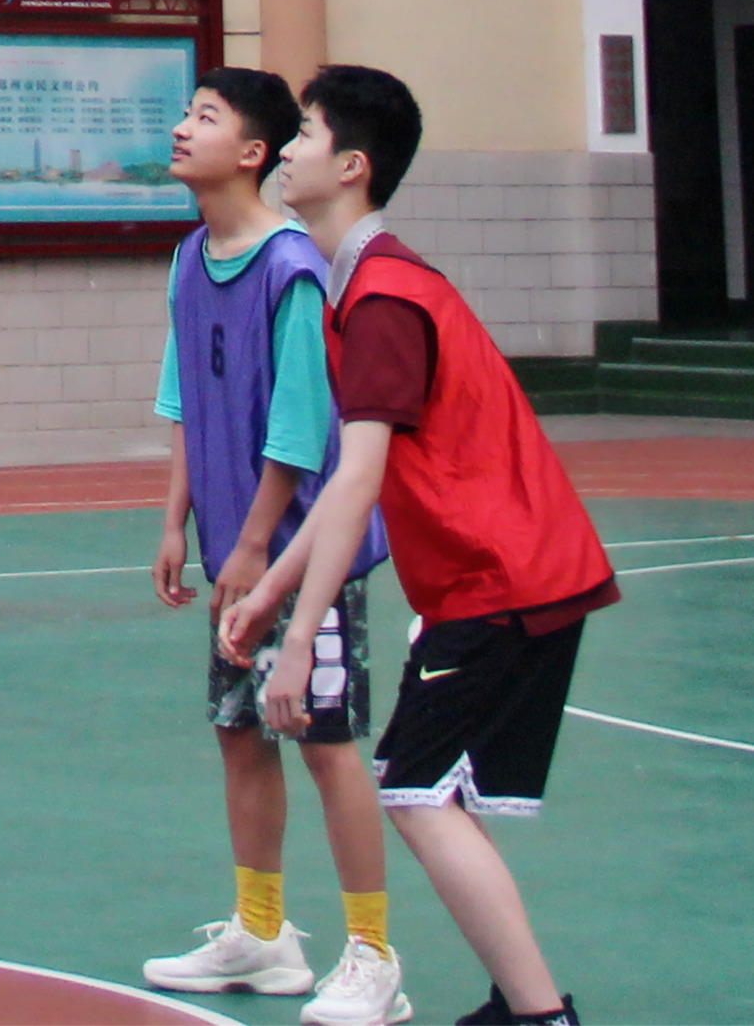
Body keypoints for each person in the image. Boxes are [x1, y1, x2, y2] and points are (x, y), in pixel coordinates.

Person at [225, 68, 618, 1026]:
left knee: (413, 789)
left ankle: (538, 1015)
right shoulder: (365, 288)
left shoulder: (386, 299)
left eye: (306, 132)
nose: (288, 149)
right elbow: (348, 479)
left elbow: (357, 479)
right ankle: (523, 1006)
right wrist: (273, 592)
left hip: (504, 577)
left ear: (352, 166)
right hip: (509, 577)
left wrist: (301, 635)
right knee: (430, 791)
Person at [141, 70, 400, 1023]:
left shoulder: (291, 266)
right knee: (238, 730)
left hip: (300, 552)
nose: (182, 127)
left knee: (325, 741)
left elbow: (297, 430)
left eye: (204, 117)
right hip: (232, 551)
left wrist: (252, 547)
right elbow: (182, 399)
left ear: (252, 152)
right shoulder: (188, 257)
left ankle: (374, 953)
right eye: (186, 112)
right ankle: (263, 934)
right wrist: (177, 521)